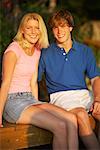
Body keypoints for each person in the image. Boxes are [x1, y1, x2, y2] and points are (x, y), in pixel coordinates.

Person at [0, 12, 79, 150]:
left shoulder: (36, 51)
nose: (33, 31)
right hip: (12, 102)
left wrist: (36, 107)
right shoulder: (13, 50)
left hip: (30, 100)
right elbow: (5, 83)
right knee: (59, 125)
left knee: (71, 119)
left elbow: (33, 82)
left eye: (37, 28)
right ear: (22, 30)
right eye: (29, 27)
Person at [38, 9, 100, 150]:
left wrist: (97, 99)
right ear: (52, 30)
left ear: (70, 27)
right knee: (81, 114)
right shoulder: (45, 53)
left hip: (85, 94)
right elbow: (32, 78)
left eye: (63, 26)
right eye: (55, 27)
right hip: (61, 97)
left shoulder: (85, 51)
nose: (59, 31)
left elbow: (96, 78)